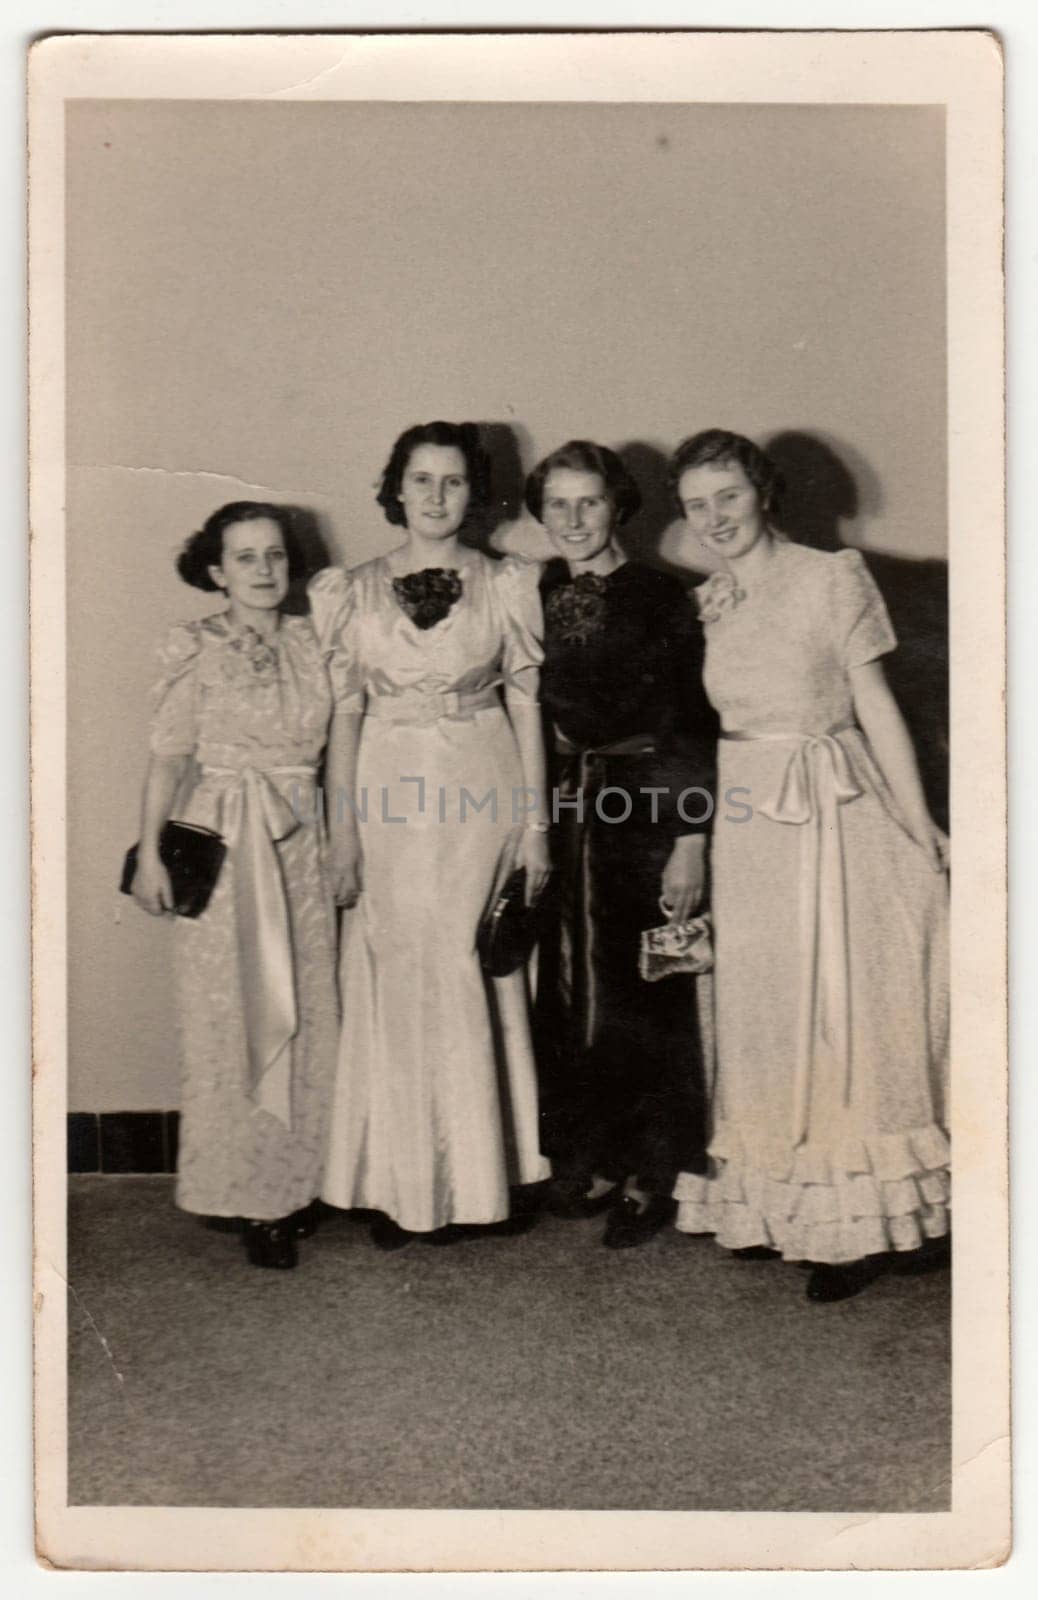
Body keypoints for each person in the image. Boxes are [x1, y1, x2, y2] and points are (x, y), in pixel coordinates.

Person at [668, 430, 950, 1302]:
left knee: (844, 1008)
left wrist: (921, 824)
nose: (714, 519)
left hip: (833, 809)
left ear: (763, 492)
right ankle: (776, 1204)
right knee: (767, 1008)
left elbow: (875, 706)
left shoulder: (833, 576)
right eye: (695, 505)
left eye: (728, 497)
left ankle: (859, 1227)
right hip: (749, 816)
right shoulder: (709, 600)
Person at [309, 421, 552, 1249]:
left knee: (464, 961)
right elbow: (344, 714)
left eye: (453, 482)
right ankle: (398, 1184)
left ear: (474, 493)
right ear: (396, 489)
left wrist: (535, 826)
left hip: (479, 780)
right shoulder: (348, 590)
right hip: (384, 783)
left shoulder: (510, 582)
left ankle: (473, 1182)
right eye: (422, 480)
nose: (437, 497)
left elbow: (526, 703)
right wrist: (342, 835)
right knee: (394, 964)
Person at [131, 501, 340, 1269]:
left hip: (300, 845)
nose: (263, 570)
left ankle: (300, 1186)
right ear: (216, 571)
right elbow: (166, 759)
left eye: (274, 555)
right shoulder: (190, 649)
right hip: (219, 846)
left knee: (307, 1016)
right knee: (232, 1022)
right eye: (245, 557)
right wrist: (151, 856)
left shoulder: (319, 642)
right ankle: (248, 1197)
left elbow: (342, 748)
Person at [526, 440, 718, 1248]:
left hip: (644, 805)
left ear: (619, 507)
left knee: (643, 984)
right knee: (569, 982)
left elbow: (689, 720)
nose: (573, 520)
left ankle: (653, 1169)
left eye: (590, 503)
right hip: (565, 804)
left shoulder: (660, 597)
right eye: (557, 505)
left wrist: (690, 838)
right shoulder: (529, 590)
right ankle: (590, 1152)